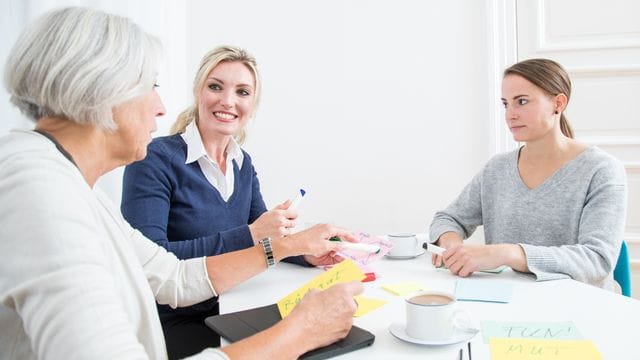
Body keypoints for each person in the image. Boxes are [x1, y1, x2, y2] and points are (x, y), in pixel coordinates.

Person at [0, 7, 363, 360]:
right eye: (149, 86)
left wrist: (295, 246)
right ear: (98, 88)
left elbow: (173, 276)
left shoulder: (73, 185)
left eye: (242, 92)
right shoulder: (38, 191)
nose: (160, 107)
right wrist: (300, 332)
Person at [120, 45, 326, 358]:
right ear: (197, 92)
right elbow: (152, 262)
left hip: (236, 301)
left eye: (242, 92)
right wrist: (252, 235)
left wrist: (307, 253)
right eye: (215, 86)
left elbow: (265, 234)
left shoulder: (243, 164)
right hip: (177, 320)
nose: (228, 101)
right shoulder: (153, 160)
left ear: (252, 105)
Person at [428, 58, 627, 291]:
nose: (510, 115)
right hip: (509, 302)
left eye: (521, 102)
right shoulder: (497, 169)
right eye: (505, 104)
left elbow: (596, 260)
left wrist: (507, 253)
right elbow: (447, 218)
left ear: (558, 103)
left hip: (578, 307)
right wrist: (452, 245)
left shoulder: (601, 170)